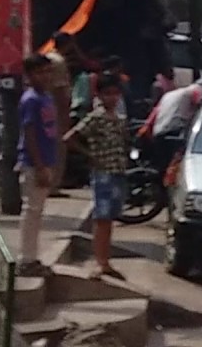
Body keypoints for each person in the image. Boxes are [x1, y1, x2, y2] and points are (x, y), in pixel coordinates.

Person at [63, 73, 128, 280]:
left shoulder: (117, 118)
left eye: (115, 93)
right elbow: (70, 138)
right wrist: (90, 156)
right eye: (108, 94)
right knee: (102, 219)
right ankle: (100, 262)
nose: (112, 98)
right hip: (103, 174)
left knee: (109, 220)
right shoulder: (96, 117)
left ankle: (105, 261)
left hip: (117, 172)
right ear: (99, 95)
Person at [17, 54, 58, 277]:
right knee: (31, 211)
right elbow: (30, 134)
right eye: (40, 72)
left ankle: (32, 256)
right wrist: (40, 165)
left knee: (37, 211)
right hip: (35, 163)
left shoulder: (46, 98)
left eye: (48, 72)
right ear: (30, 75)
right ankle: (26, 259)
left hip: (46, 160)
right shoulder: (30, 100)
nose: (46, 76)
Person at [44, 32, 77, 190]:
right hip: (56, 110)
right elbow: (60, 90)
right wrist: (65, 115)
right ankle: (53, 185)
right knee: (58, 148)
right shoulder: (59, 61)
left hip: (46, 109)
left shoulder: (48, 58)